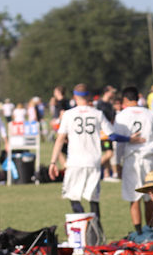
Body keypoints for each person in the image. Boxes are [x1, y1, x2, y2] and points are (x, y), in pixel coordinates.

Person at [48, 83, 115, 229]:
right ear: (89, 96)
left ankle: (83, 227)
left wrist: (53, 162)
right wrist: (129, 138)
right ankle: (97, 232)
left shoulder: (68, 114)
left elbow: (60, 139)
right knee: (94, 199)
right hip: (93, 161)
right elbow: (112, 134)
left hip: (75, 161)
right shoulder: (97, 113)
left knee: (73, 196)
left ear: (74, 97)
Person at [113, 86, 153, 235]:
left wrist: (117, 162)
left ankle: (139, 232)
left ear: (125, 99)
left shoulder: (121, 115)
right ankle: (149, 229)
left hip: (132, 158)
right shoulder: (150, 114)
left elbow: (119, 143)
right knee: (150, 197)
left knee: (134, 197)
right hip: (149, 158)